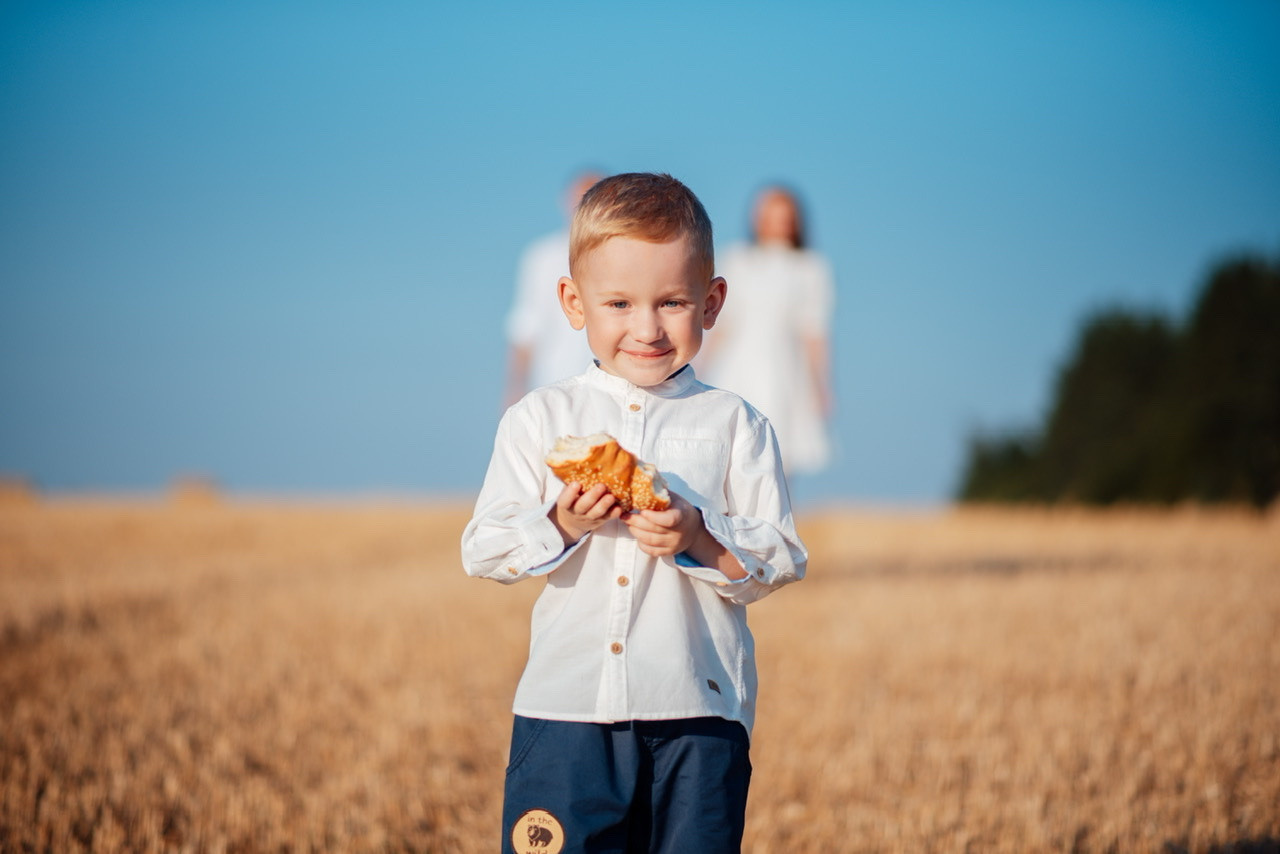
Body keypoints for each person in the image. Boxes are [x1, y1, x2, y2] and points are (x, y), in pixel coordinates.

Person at [461, 173, 807, 854]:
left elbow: (781, 558)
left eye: (672, 301)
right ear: (572, 301)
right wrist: (563, 524)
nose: (645, 327)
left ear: (712, 303)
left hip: (699, 717)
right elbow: (484, 548)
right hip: (565, 712)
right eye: (618, 302)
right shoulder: (540, 419)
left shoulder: (737, 425)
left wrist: (698, 536)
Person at [700, 185, 835, 477]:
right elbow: (723, 321)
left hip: (785, 368)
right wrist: (699, 364)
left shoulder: (809, 267)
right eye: (769, 215)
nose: (776, 223)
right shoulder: (737, 259)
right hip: (738, 364)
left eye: (783, 216)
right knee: (731, 445)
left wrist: (821, 385)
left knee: (781, 451)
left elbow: (814, 331)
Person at [503, 170, 604, 407]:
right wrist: (515, 388)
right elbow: (526, 327)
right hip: (554, 381)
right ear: (566, 200)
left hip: (613, 383)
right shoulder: (542, 256)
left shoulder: (625, 253)